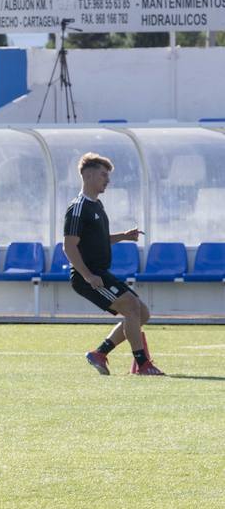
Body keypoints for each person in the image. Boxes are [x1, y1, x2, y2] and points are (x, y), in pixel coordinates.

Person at [66, 153, 163, 376]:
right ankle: (143, 364)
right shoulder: (78, 208)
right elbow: (69, 247)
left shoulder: (97, 206)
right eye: (103, 175)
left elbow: (97, 239)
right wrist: (88, 276)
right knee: (131, 307)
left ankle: (100, 353)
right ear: (88, 176)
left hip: (100, 272)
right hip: (87, 276)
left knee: (143, 313)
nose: (107, 180)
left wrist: (123, 236)